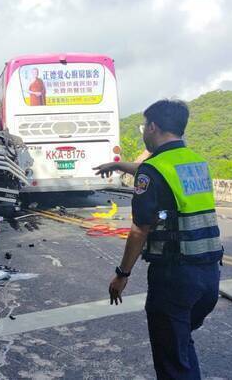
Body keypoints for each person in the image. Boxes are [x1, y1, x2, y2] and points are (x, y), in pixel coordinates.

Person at [94, 99, 223, 380]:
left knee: (172, 361)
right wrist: (121, 166)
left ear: (153, 127)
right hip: (209, 275)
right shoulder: (197, 163)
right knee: (181, 348)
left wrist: (122, 274)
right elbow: (159, 172)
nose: (143, 132)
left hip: (174, 278)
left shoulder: (152, 169)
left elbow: (140, 230)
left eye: (144, 126)